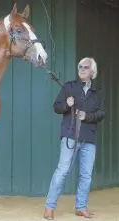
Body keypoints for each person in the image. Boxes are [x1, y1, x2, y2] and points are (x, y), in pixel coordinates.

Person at [44, 57, 106, 220]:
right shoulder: (68, 87)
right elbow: (57, 107)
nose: (82, 69)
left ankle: (81, 207)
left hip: (88, 138)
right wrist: (67, 104)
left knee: (86, 175)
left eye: (86, 67)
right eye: (80, 67)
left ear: (93, 72)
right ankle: (49, 207)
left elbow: (102, 113)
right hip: (70, 136)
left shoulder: (97, 91)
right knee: (62, 171)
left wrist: (87, 116)